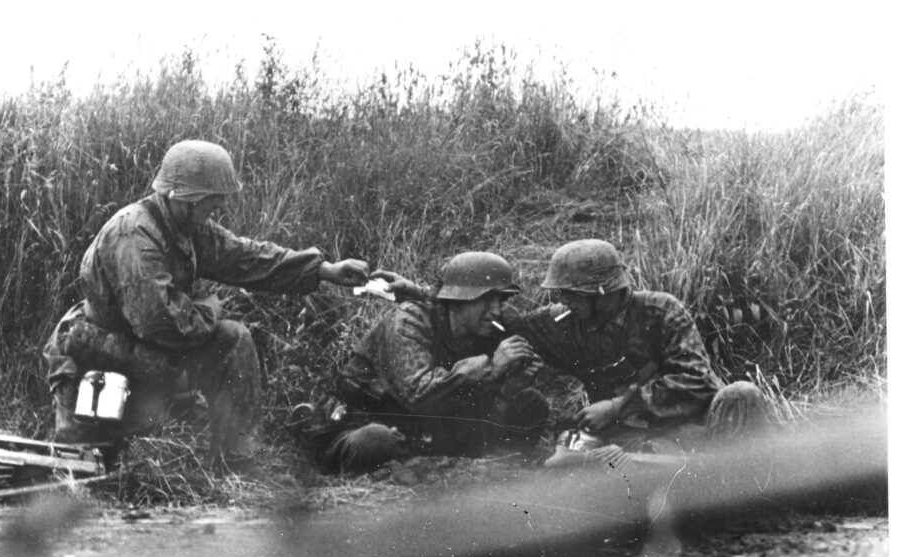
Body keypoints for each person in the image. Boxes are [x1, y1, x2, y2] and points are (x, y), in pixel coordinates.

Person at [43, 139, 369, 472]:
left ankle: (240, 460)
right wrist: (211, 309)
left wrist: (323, 270)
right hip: (102, 356)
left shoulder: (183, 226)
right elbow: (162, 324)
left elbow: (246, 257)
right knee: (85, 468)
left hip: (148, 353)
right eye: (211, 206)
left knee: (233, 340)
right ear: (185, 200)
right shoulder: (134, 236)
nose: (216, 213)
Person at [503, 239, 769, 464]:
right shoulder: (565, 322)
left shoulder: (661, 311)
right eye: (562, 293)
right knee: (569, 462)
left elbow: (696, 380)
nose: (564, 301)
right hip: (630, 442)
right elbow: (507, 326)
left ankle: (726, 483)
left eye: (573, 293)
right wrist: (494, 352)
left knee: (743, 395)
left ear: (603, 292)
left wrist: (618, 406)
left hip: (694, 429)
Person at [298, 251, 549, 474]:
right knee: (376, 440)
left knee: (529, 403)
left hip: (430, 427)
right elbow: (416, 393)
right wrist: (491, 368)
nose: (496, 310)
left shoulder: (491, 325)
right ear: (458, 299)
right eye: (487, 299)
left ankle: (492, 466)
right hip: (369, 420)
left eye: (501, 300)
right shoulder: (409, 321)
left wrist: (510, 385)